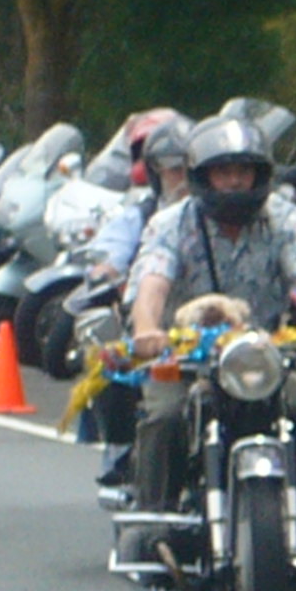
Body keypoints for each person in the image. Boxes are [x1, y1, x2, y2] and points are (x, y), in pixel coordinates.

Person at [122, 117, 296, 544]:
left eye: (243, 171)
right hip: (186, 356)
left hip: (261, 355)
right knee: (167, 416)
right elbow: (152, 282)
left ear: (260, 174)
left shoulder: (285, 219)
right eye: (223, 171)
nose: (234, 181)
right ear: (201, 176)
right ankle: (155, 516)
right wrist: (148, 330)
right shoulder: (171, 223)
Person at [90, 114, 195, 487]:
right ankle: (125, 456)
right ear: (155, 173)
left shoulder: (227, 216)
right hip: (157, 332)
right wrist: (108, 271)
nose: (183, 179)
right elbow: (111, 254)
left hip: (224, 335)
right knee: (113, 361)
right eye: (174, 170)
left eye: (190, 169)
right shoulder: (142, 217)